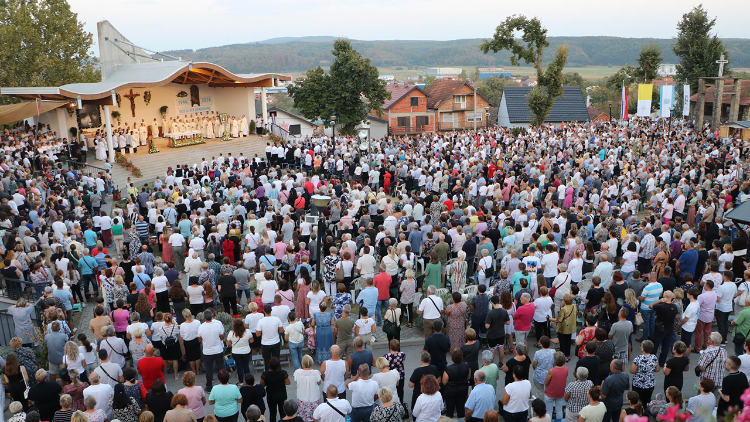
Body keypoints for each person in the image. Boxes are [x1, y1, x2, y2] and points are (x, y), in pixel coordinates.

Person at [199, 309, 226, 390]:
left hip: (207, 351)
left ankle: (209, 386)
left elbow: (200, 340)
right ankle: (224, 383)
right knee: (221, 367)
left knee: (209, 369)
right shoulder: (218, 324)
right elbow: (222, 337)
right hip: (218, 349)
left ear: (204, 317)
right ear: (212, 316)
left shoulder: (201, 327)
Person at [441, 349, 470, 419]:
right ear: (461, 357)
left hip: (450, 392)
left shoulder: (448, 369)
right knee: (461, 410)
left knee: (450, 411)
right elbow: (468, 377)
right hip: (462, 391)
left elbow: (444, 382)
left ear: (452, 358)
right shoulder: (466, 365)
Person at [629, 340, 657, 408]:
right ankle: (646, 413)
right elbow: (658, 369)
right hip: (649, 383)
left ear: (642, 348)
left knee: (637, 400)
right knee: (647, 400)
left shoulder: (638, 358)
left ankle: (637, 412)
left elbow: (632, 371)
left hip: (638, 383)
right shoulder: (654, 357)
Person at [261, 357, 291, 422]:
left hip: (271, 396)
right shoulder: (283, 373)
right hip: (282, 395)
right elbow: (288, 382)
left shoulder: (265, 374)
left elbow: (262, 385)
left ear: (269, 365)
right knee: (283, 413)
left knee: (272, 413)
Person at [293, 355, 321, 422]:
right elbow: (319, 382)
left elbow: (296, 381)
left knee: (303, 418)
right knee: (315, 417)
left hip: (302, 398)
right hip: (314, 398)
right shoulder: (316, 373)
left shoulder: (297, 372)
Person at [256, 304, 283, 370]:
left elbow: (257, 334)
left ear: (263, 311)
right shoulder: (277, 319)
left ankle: (268, 374)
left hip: (265, 343)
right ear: (271, 310)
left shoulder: (260, 321)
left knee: (267, 361)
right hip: (276, 341)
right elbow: (281, 330)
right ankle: (278, 373)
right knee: (276, 359)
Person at [544, 352, 568, 422]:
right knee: (559, 410)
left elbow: (546, 382)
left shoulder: (552, 371)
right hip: (560, 393)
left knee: (549, 411)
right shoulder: (566, 369)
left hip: (550, 393)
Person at [226, 318, 252, 383]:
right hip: (246, 351)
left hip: (236, 352)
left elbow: (228, 343)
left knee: (239, 366)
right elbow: (251, 340)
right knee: (246, 366)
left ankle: (241, 382)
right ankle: (248, 381)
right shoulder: (247, 331)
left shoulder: (231, 333)